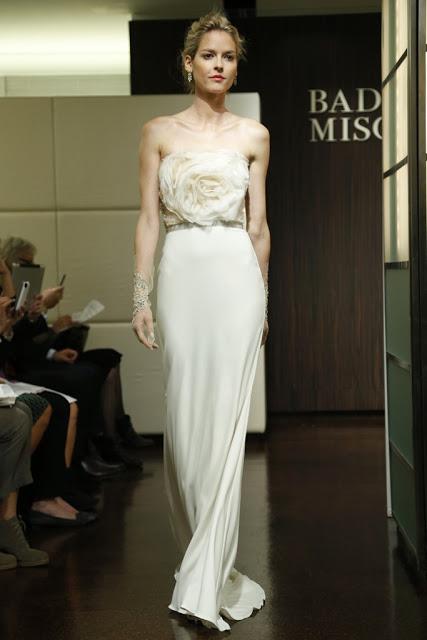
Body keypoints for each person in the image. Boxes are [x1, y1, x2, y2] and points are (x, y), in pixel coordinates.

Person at [131, 9, 270, 632]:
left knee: (227, 423)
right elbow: (148, 221)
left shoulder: (254, 135)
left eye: (229, 57)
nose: (220, 64)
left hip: (237, 275)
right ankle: (198, 553)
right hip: (182, 271)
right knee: (187, 421)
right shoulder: (158, 131)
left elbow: (259, 226)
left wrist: (264, 296)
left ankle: (206, 574)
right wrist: (140, 295)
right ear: (189, 62)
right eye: (209, 55)